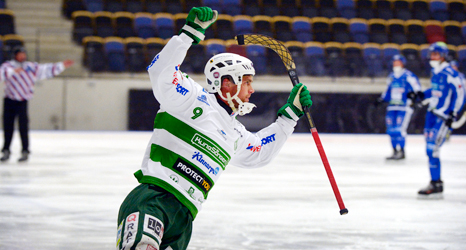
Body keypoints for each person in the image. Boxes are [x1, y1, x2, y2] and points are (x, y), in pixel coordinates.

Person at [116, 7, 312, 250]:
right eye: (247, 82)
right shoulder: (190, 98)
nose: (251, 90)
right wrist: (188, 34)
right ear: (226, 83)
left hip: (185, 218)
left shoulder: (235, 132)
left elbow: (259, 152)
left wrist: (290, 116)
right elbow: (160, 71)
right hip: (154, 200)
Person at [0, 46, 74, 162]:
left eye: (24, 54)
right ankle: (6, 150)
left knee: (23, 127)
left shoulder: (30, 67)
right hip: (10, 100)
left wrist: (61, 65)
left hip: (23, 101)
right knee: (8, 127)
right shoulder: (8, 66)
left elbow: (45, 70)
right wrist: (12, 72)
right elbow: (1, 74)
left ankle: (25, 150)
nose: (22, 56)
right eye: (20, 54)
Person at [416, 42, 466, 199]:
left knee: (433, 149)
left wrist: (453, 113)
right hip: (431, 114)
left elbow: (460, 94)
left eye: (436, 54)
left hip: (442, 117)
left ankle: (436, 182)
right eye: (432, 54)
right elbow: (435, 90)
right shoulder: (435, 71)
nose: (433, 57)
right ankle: (435, 182)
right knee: (429, 150)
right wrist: (422, 95)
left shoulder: (451, 73)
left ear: (443, 56)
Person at [376, 54, 422, 160]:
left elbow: (417, 89)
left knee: (399, 129)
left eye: (398, 62)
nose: (396, 64)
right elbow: (388, 91)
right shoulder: (391, 77)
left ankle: (401, 151)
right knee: (391, 130)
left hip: (404, 107)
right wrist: (382, 100)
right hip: (392, 106)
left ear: (403, 63)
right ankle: (394, 151)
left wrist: (416, 100)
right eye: (394, 62)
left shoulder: (408, 76)